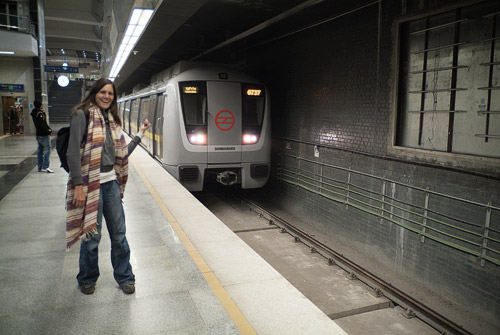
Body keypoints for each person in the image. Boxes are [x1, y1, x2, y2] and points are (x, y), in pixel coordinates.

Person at [65, 78, 151, 295]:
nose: (107, 96)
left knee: (120, 235)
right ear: (95, 93)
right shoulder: (81, 114)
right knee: (92, 237)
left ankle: (125, 277)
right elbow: (73, 152)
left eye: (110, 93)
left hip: (111, 184)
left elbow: (120, 155)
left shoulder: (112, 119)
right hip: (89, 185)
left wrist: (140, 134)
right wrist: (78, 185)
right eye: (103, 92)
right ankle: (87, 278)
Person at [30, 100, 54, 173]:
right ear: (40, 105)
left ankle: (40, 167)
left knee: (40, 151)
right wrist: (48, 132)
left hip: (38, 134)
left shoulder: (34, 113)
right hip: (43, 135)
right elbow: (43, 124)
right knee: (47, 150)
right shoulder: (40, 113)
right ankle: (45, 166)